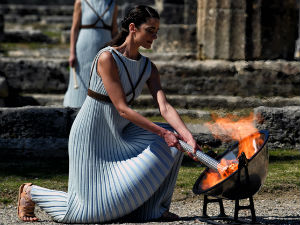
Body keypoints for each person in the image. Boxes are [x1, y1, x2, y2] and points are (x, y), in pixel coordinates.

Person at [17, 5, 200, 223]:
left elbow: (165, 107)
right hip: (92, 135)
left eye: (156, 31)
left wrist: (186, 135)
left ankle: (154, 210)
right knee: (86, 213)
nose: (155, 36)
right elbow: (122, 108)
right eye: (150, 30)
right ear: (133, 28)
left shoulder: (149, 67)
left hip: (121, 135)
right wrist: (163, 133)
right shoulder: (107, 58)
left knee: (176, 140)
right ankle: (31, 192)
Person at [63, 0, 118, 108]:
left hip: (105, 49)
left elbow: (114, 31)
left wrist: (118, 50)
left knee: (102, 81)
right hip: (84, 49)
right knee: (81, 81)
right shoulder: (80, 2)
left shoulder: (112, 4)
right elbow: (74, 28)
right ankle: (75, 110)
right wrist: (72, 53)